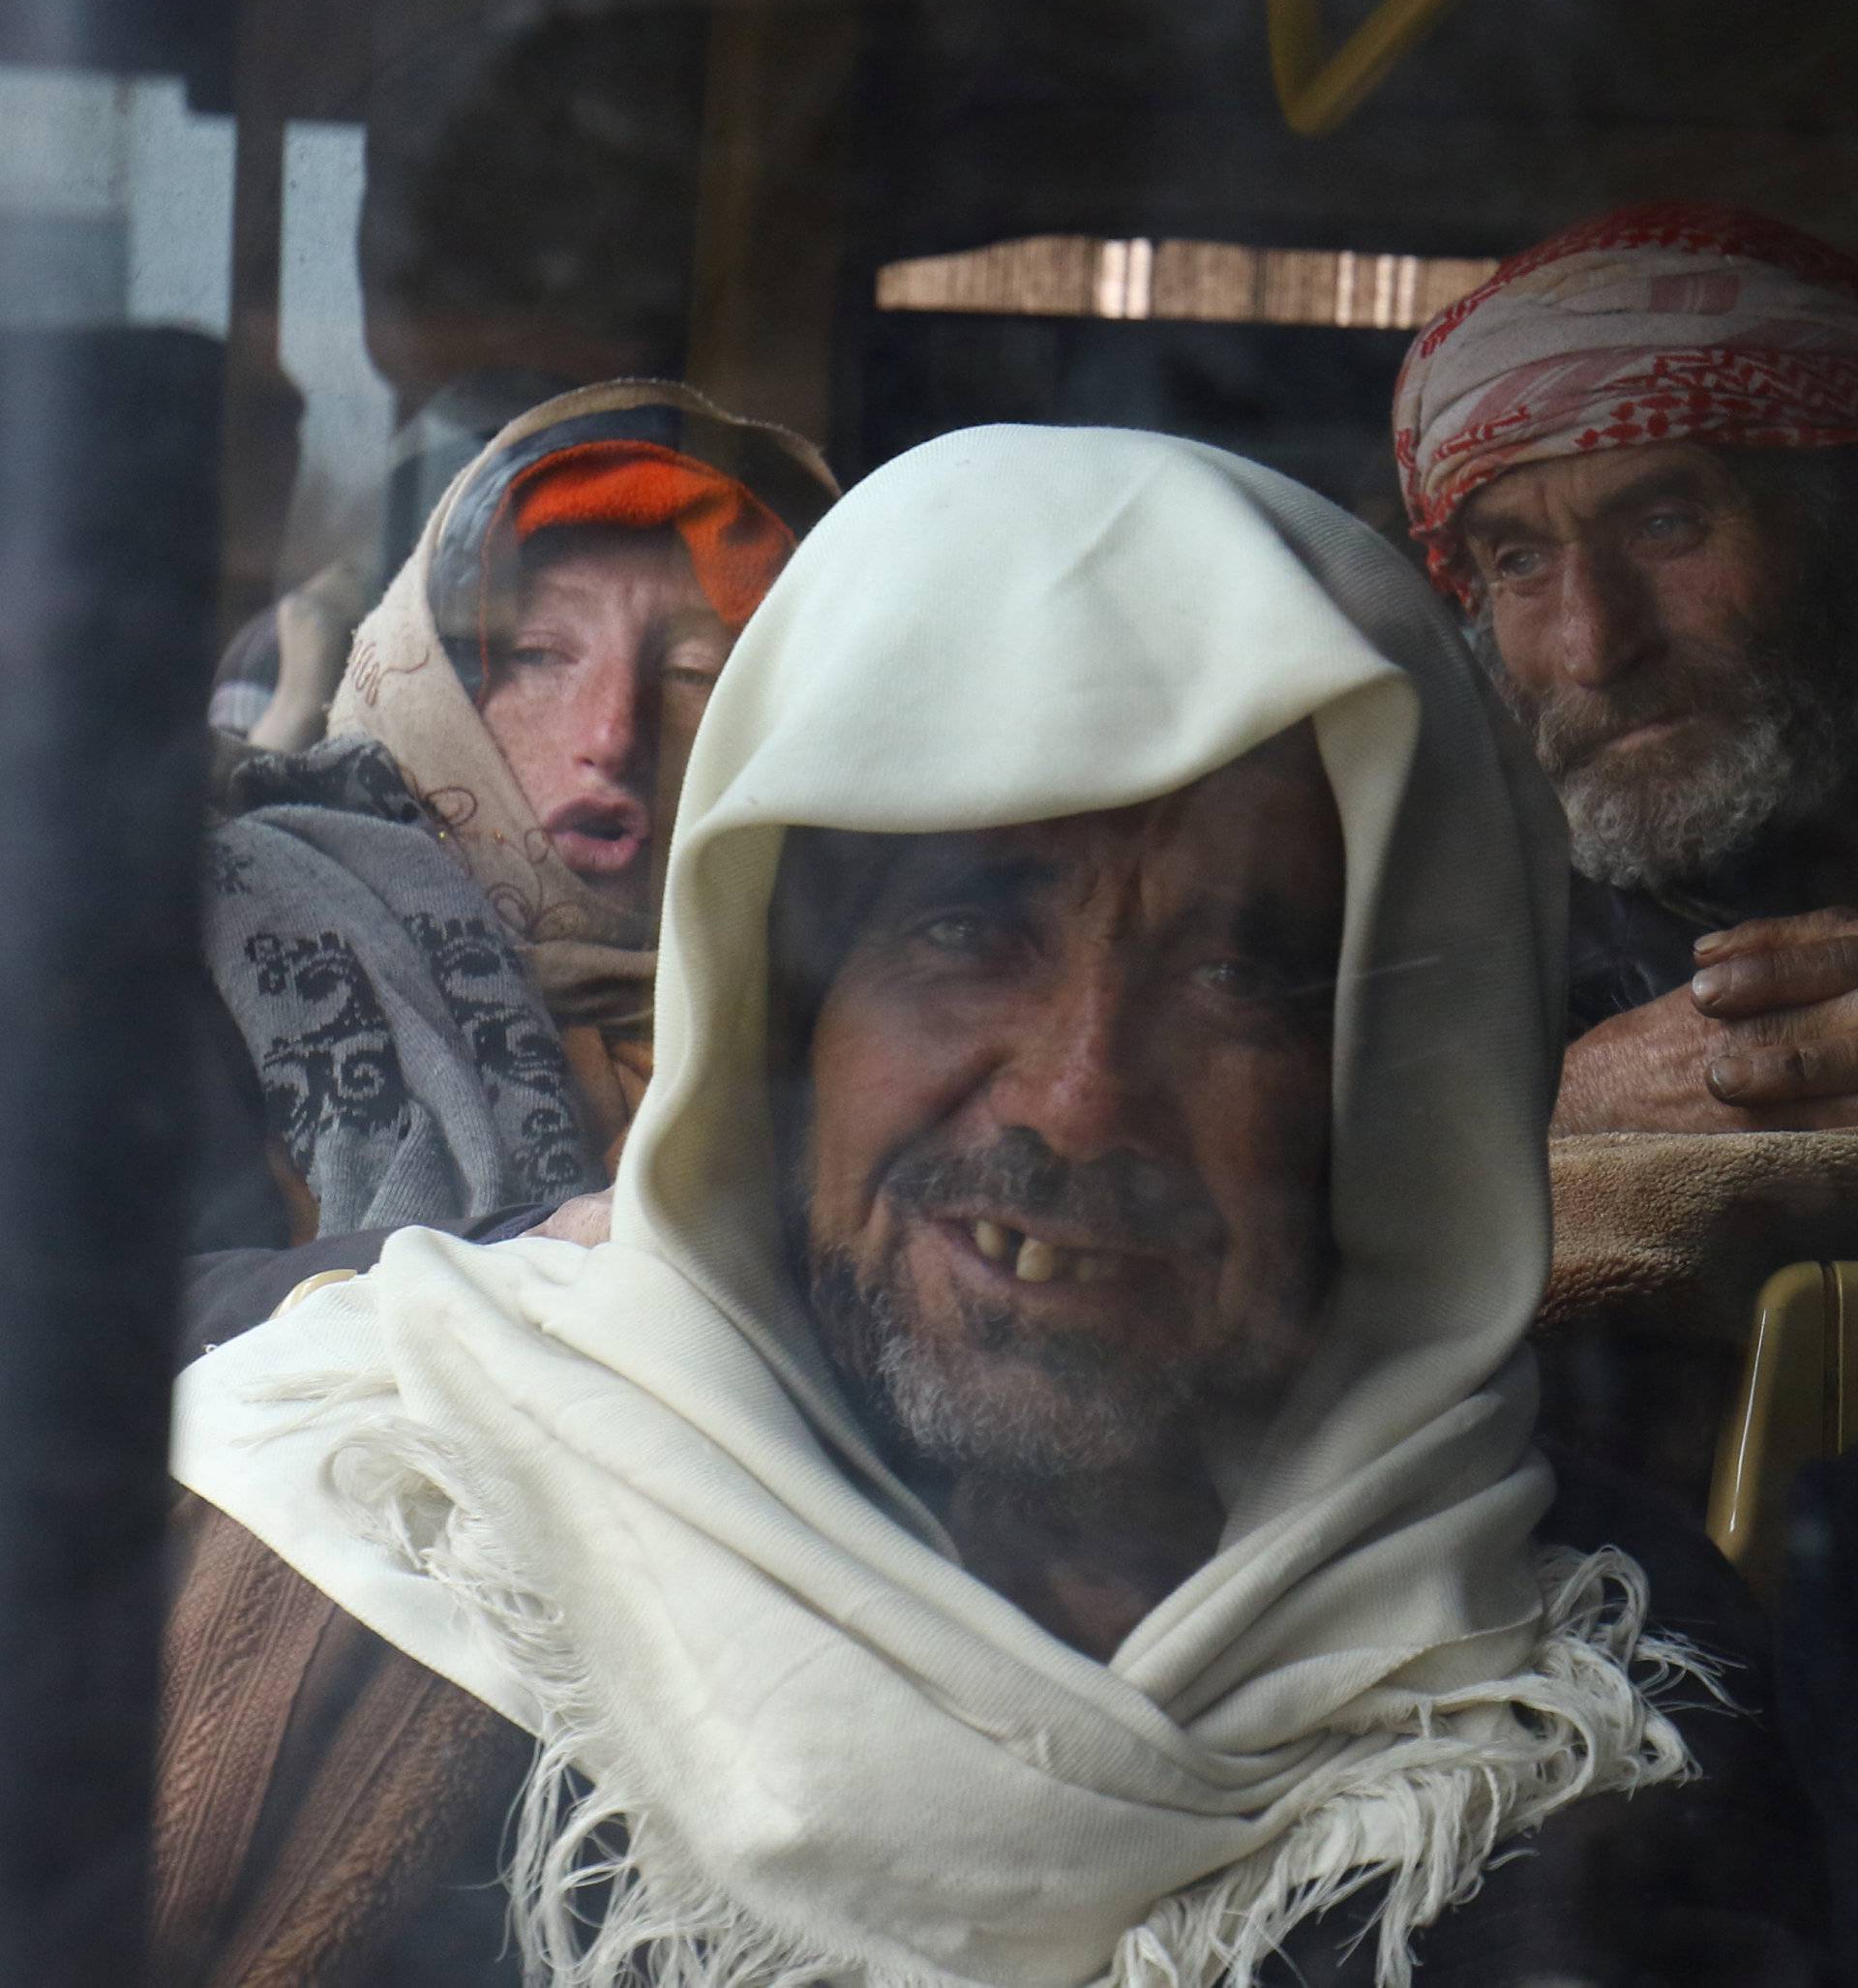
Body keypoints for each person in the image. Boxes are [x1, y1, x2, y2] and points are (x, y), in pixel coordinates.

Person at [156, 429, 1819, 1986]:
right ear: (776, 1001)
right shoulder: (397, 1533)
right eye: (967, 929)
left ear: (1387, 1087)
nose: (1083, 1093)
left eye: (1243, 973)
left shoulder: (1578, 1698)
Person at [1393, 203, 1858, 1497]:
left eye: (1666, 524)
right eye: (1522, 561)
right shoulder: (1406, 932)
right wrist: (1552, 1125)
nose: (1596, 644)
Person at [196, 377, 836, 1252]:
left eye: (696, 674)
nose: (613, 734)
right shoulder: (237, 943)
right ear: (426, 686)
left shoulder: (852, 1032)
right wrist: (524, 1256)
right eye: (537, 654)